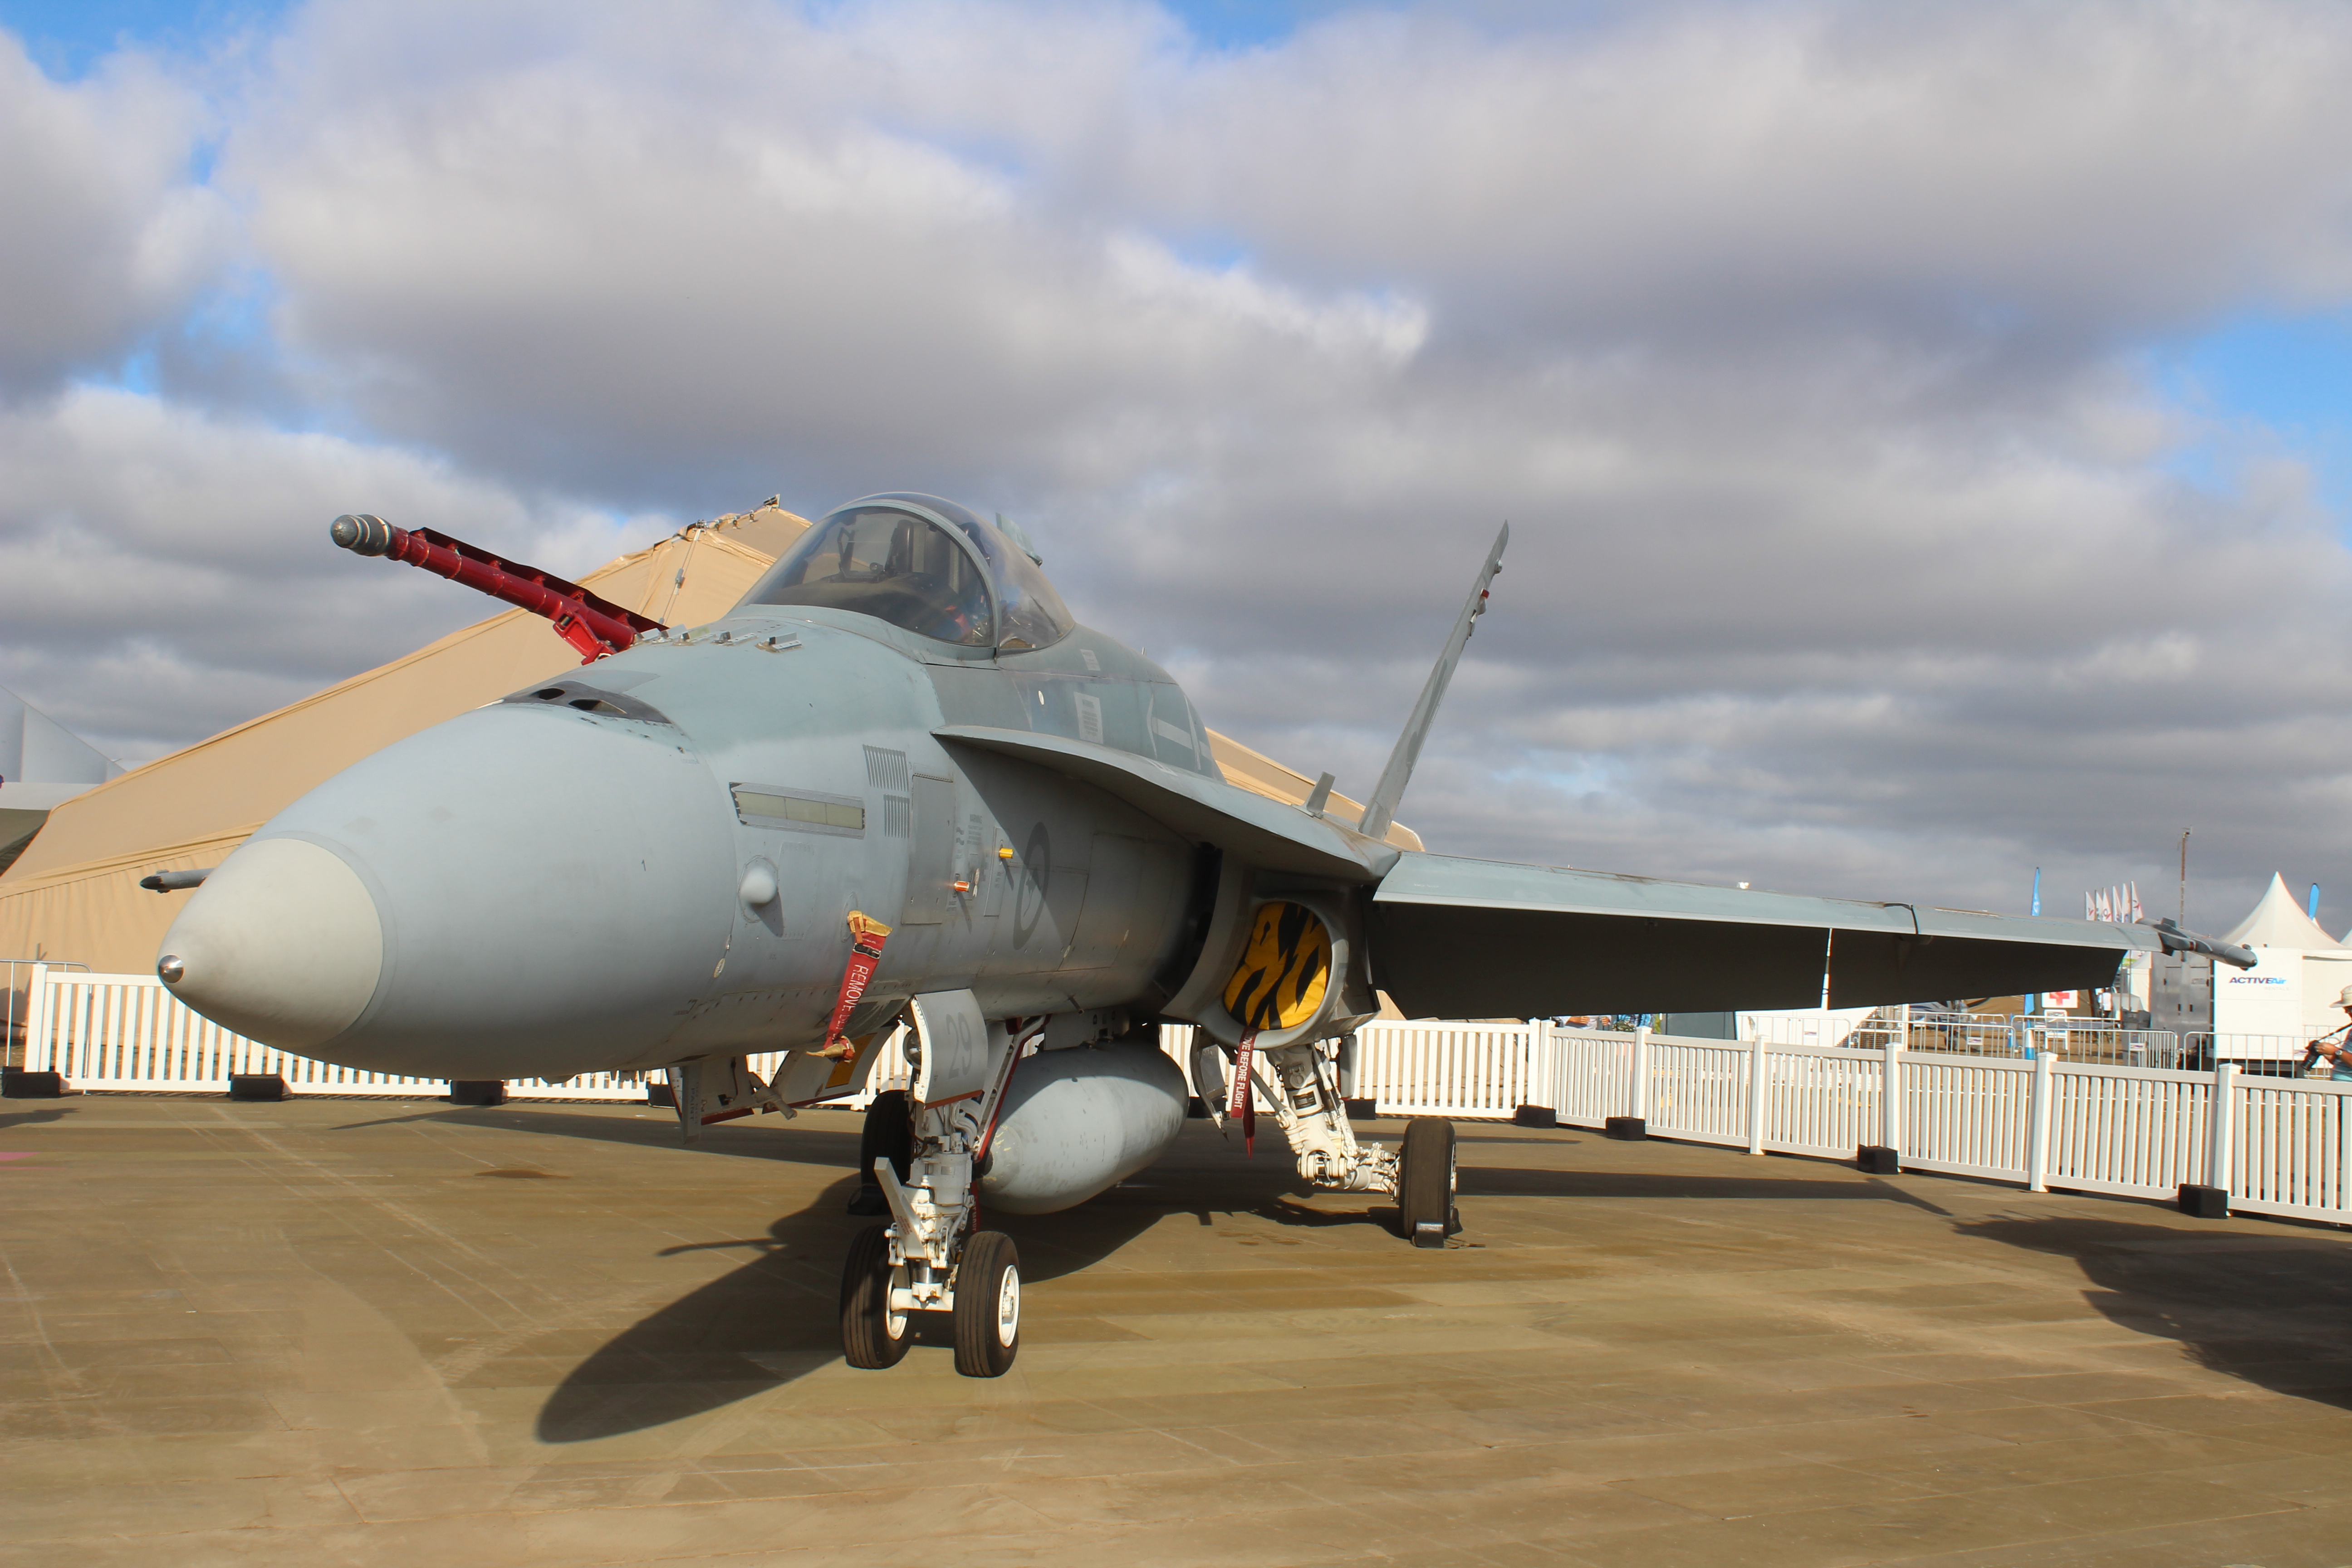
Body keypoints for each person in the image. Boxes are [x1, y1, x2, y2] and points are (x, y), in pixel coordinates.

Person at [2303, 985, 2352, 1079]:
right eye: (2346, 1008)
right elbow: (2343, 1063)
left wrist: (2336, 1051)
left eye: (2350, 1008)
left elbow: (2341, 1055)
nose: (2346, 1012)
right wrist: (2323, 1050)